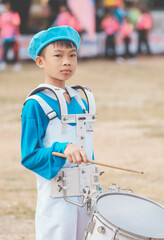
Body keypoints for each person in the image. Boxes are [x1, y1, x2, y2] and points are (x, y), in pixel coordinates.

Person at [21, 26, 97, 240]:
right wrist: (62, 149)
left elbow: (87, 148)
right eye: (58, 55)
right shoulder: (36, 104)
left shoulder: (81, 101)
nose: (67, 61)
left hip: (87, 195)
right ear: (40, 61)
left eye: (72, 55)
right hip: (57, 197)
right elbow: (29, 156)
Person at [0, 1, 21, 71]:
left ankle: (16, 63)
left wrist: (10, 21)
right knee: (4, 51)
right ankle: (3, 63)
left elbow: (17, 23)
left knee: (15, 51)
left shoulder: (14, 14)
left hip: (13, 36)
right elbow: (1, 26)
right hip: (5, 36)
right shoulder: (3, 16)